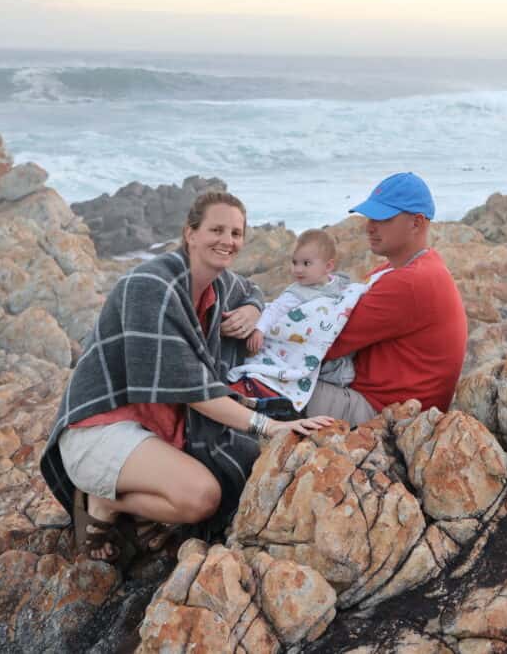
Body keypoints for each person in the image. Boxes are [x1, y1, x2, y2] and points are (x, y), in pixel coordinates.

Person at [40, 191, 333, 562]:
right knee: (202, 497)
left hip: (157, 428)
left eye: (236, 233)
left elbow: (251, 290)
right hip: (101, 428)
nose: (228, 241)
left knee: (229, 484)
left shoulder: (220, 284)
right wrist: (267, 426)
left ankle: (135, 507)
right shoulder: (151, 286)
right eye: (216, 229)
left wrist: (252, 310)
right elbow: (192, 389)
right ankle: (101, 500)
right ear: (190, 234)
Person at [304, 172, 468, 424]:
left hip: (385, 413)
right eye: (370, 216)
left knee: (264, 384)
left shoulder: (411, 282)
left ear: (416, 222)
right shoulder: (402, 269)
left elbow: (322, 342)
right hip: (379, 398)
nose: (370, 226)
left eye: (383, 218)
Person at [245, 228, 356, 387]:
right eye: (294, 262)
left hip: (333, 343)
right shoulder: (296, 293)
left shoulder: (340, 283)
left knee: (346, 372)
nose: (297, 269)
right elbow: (275, 309)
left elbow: (350, 297)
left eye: (306, 263)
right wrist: (260, 329)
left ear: (328, 266)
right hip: (303, 349)